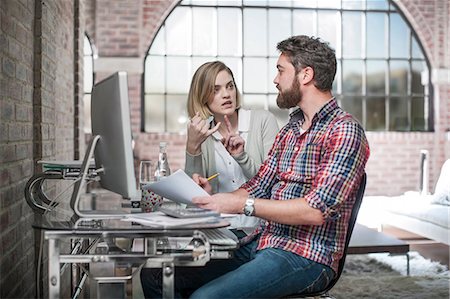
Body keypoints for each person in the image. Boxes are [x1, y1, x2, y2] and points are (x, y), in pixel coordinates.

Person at [141, 35, 370, 298]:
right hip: (263, 241)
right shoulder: (291, 130)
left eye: (280, 71)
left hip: (306, 255)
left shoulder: (344, 131)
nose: (275, 79)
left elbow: (315, 211)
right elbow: (259, 184)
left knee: (206, 297)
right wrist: (216, 200)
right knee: (155, 274)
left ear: (305, 75)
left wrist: (240, 204)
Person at [184, 61, 279, 230]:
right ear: (203, 96)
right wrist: (193, 147)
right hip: (219, 230)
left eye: (230, 86)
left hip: (260, 230)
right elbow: (192, 197)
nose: (226, 94)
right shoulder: (201, 134)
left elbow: (272, 184)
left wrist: (241, 157)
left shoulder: (263, 121)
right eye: (216, 90)